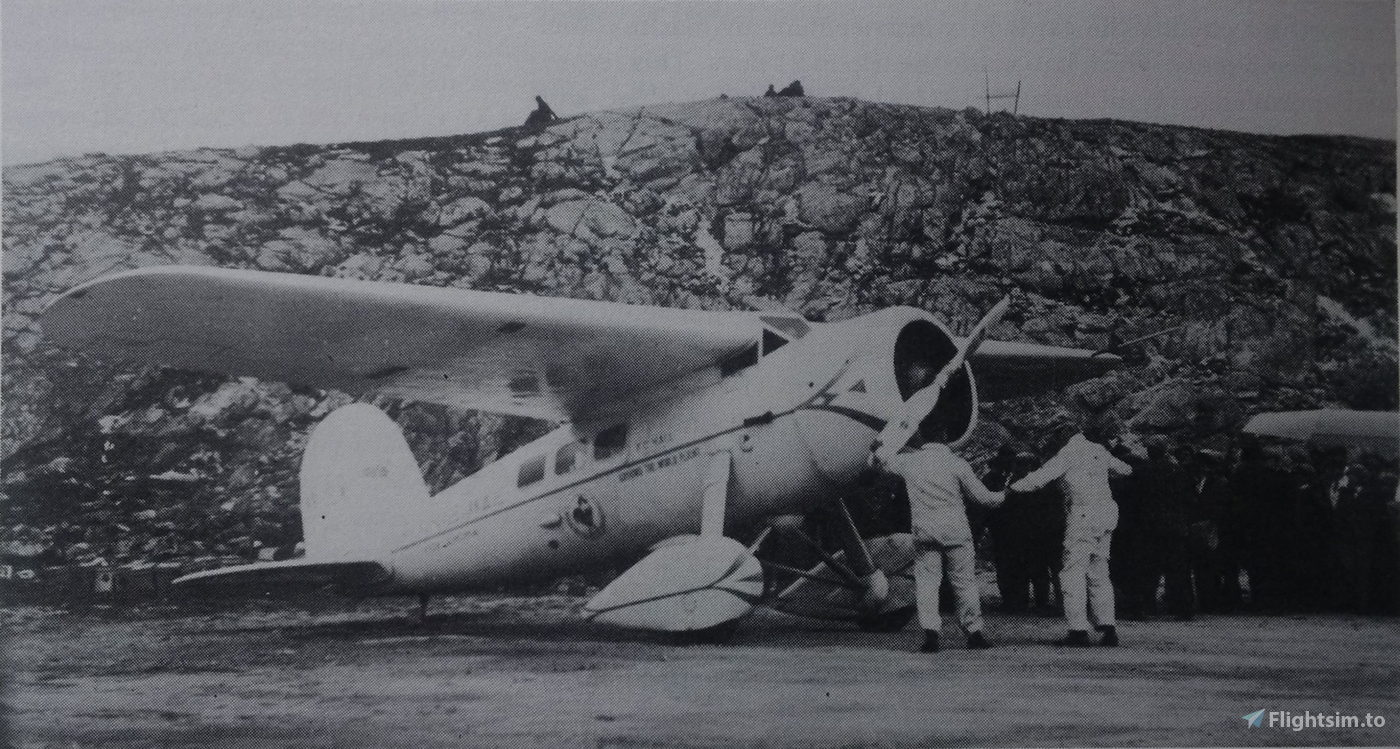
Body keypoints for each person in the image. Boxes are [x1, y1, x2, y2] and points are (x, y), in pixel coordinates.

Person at [871, 428, 1004, 653]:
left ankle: (931, 634)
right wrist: (1004, 494)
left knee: (927, 583)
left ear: (921, 437)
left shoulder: (909, 461)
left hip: (925, 530)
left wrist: (878, 448)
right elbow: (983, 499)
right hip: (955, 530)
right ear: (945, 437)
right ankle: (974, 632)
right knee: (964, 582)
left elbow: (879, 464)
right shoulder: (957, 463)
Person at [1011, 428, 1132, 647]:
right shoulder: (1098, 450)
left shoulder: (1068, 453)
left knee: (1072, 572)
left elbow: (1039, 478)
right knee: (1099, 571)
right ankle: (1108, 626)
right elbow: (1124, 470)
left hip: (1083, 515)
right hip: (1106, 514)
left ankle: (1078, 629)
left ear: (1063, 437)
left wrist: (1011, 489)